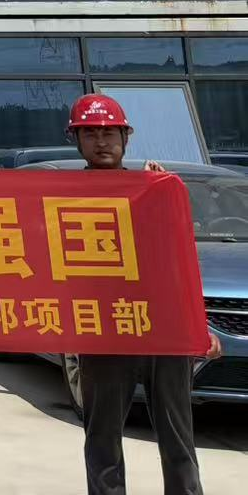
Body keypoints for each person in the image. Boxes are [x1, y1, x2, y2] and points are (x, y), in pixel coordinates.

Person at [66, 93, 220, 495]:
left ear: (126, 137)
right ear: (75, 140)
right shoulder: (64, 196)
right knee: (103, 439)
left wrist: (198, 325)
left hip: (164, 329)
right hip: (104, 330)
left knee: (177, 436)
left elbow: (178, 263)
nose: (101, 141)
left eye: (109, 132)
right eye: (90, 133)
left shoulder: (153, 189)